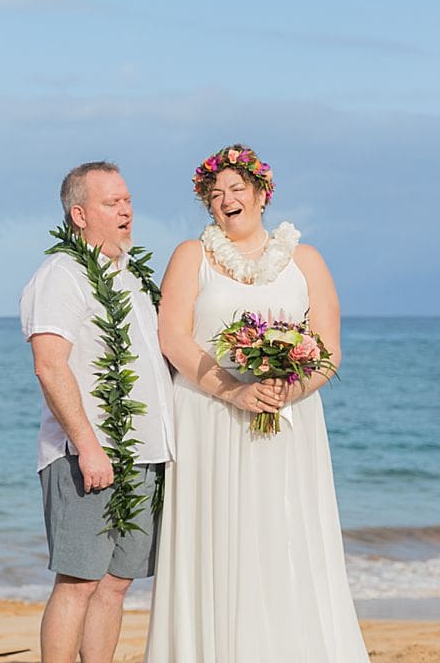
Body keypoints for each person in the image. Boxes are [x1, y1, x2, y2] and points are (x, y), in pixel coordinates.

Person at [144, 145, 369, 662]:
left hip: (288, 422)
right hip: (209, 416)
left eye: (237, 190)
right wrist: (235, 390)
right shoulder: (189, 256)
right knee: (216, 543)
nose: (226, 200)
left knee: (283, 534)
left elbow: (329, 350)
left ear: (262, 194)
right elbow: (173, 338)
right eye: (215, 194)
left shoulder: (305, 259)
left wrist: (285, 391)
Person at [19, 161, 175, 663]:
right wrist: (89, 447)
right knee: (79, 583)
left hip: (145, 454)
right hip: (86, 457)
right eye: (113, 202)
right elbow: (49, 365)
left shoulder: (131, 277)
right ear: (80, 214)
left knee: (114, 584)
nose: (127, 209)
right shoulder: (60, 275)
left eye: (128, 199)